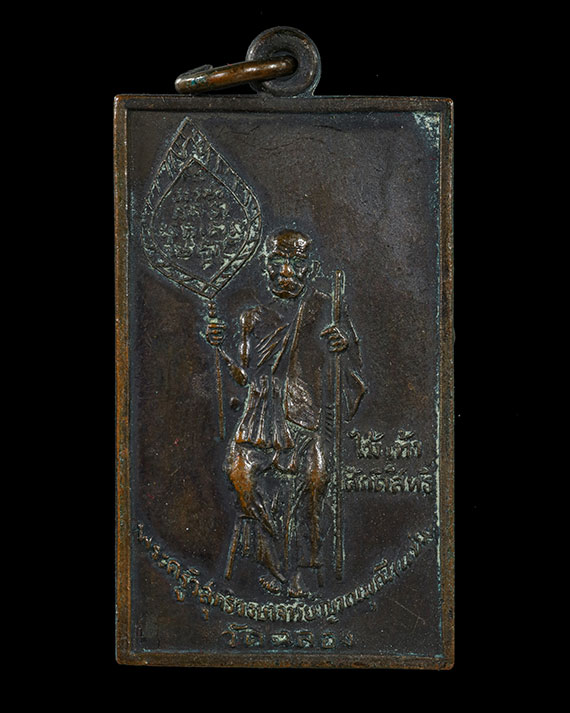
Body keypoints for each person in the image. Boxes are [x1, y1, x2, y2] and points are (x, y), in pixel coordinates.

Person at [205, 229, 366, 596]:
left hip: (304, 421)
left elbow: (353, 373)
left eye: (296, 263)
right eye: (278, 263)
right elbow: (243, 377)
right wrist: (218, 348)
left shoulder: (325, 309)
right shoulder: (252, 318)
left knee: (317, 478)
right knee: (239, 473)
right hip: (259, 420)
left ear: (310, 268)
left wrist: (344, 346)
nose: (287, 272)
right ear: (266, 268)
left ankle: (306, 565)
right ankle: (273, 553)